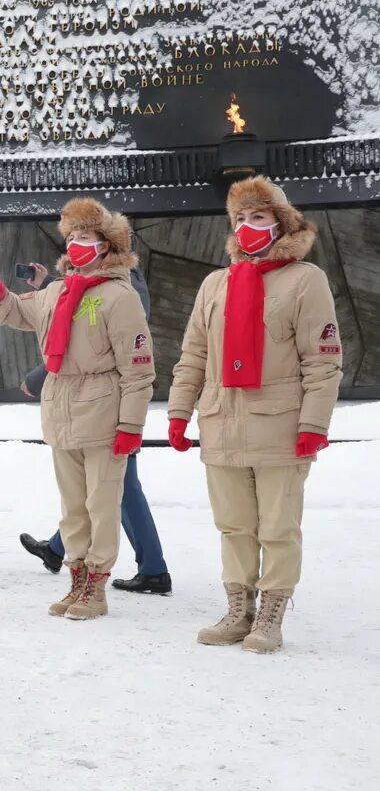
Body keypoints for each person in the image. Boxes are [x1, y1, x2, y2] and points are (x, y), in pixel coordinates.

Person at [167, 177, 342, 654]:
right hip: (222, 422)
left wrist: (313, 424)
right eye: (240, 219)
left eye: (258, 217)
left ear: (281, 224)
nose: (247, 226)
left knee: (278, 527)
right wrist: (179, 411)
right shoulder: (215, 284)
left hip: (280, 425)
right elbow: (194, 355)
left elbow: (322, 360)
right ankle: (238, 609)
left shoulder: (306, 280)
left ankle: (271, 615)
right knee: (234, 526)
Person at [0, 197, 155, 620]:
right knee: (73, 506)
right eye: (73, 237)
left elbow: (138, 370)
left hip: (102, 412)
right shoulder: (57, 291)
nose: (78, 244)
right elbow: (22, 312)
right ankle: (77, 581)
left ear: (107, 244)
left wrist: (131, 425)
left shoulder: (120, 295)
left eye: (87, 237)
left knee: (102, 504)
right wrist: (0, 301)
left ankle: (96, 587)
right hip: (62, 412)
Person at [15, 263, 172, 595]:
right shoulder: (87, 282)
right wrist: (49, 284)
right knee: (107, 490)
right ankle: (58, 550)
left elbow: (94, 342)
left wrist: (36, 378)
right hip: (95, 408)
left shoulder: (124, 285)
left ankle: (152, 569)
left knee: (116, 491)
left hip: (107, 408)